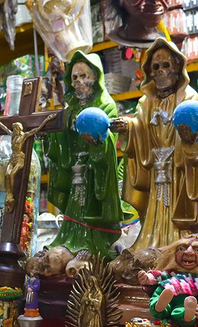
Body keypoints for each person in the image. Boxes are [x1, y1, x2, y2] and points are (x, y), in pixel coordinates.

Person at [112, 38, 198, 250]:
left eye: (166, 65)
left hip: (178, 170)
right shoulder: (145, 102)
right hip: (155, 169)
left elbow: (196, 134)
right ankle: (152, 236)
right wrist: (128, 127)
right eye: (155, 66)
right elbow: (139, 126)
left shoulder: (189, 98)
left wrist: (189, 139)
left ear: (177, 69)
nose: (160, 71)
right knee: (154, 212)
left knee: (179, 223)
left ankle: (179, 237)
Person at [44, 51, 122, 258]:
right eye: (74, 77)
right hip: (74, 168)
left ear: (95, 78)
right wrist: (50, 134)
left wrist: (98, 144)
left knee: (91, 206)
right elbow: (60, 139)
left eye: (84, 76)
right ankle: (70, 238)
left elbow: (110, 141)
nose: (78, 82)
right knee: (74, 206)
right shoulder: (69, 110)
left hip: (95, 171)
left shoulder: (106, 106)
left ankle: (94, 241)